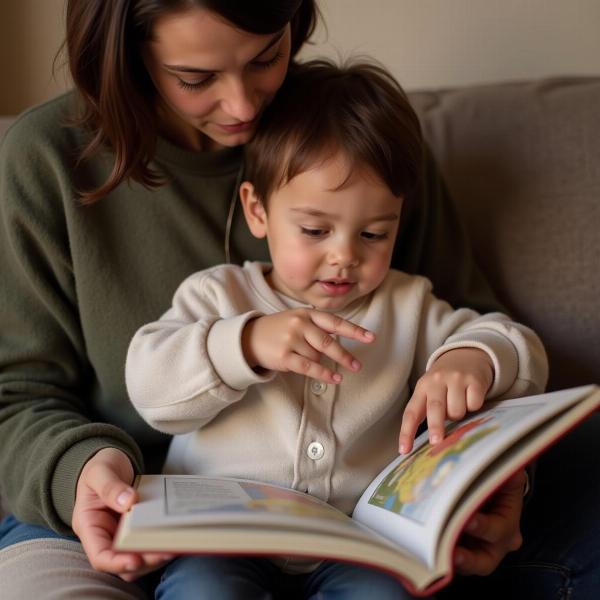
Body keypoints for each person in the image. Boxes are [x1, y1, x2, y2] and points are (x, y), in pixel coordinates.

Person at [0, 0, 586, 598]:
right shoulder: (49, 161)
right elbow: (21, 396)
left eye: (266, 58)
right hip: (157, 512)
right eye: (196, 78)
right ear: (127, 55)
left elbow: (484, 341)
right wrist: (75, 473)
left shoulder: (362, 131)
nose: (245, 106)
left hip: (363, 531)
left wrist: (498, 472)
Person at [123, 58, 549, 599]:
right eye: (314, 229)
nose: (344, 256)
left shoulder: (408, 303)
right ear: (258, 211)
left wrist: (474, 358)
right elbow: (149, 387)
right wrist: (245, 344)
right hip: (219, 540)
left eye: (373, 234)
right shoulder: (217, 295)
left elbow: (518, 347)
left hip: (357, 542)